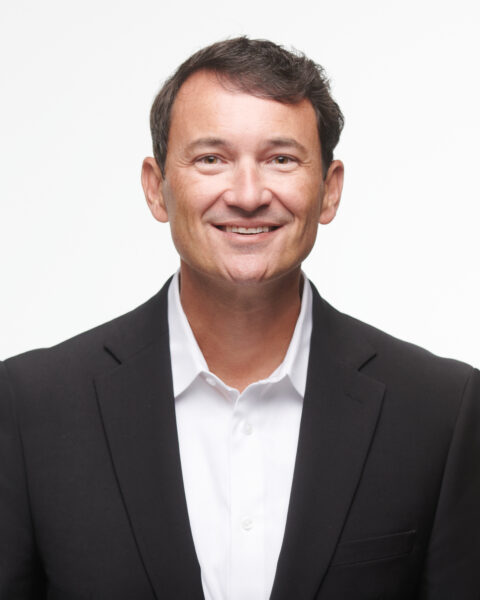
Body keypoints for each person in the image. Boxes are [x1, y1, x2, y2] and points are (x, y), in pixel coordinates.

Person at [0, 36, 478, 600]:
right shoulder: (30, 406)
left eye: (281, 159)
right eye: (211, 159)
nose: (248, 195)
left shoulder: (442, 411)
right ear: (158, 190)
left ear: (329, 190)